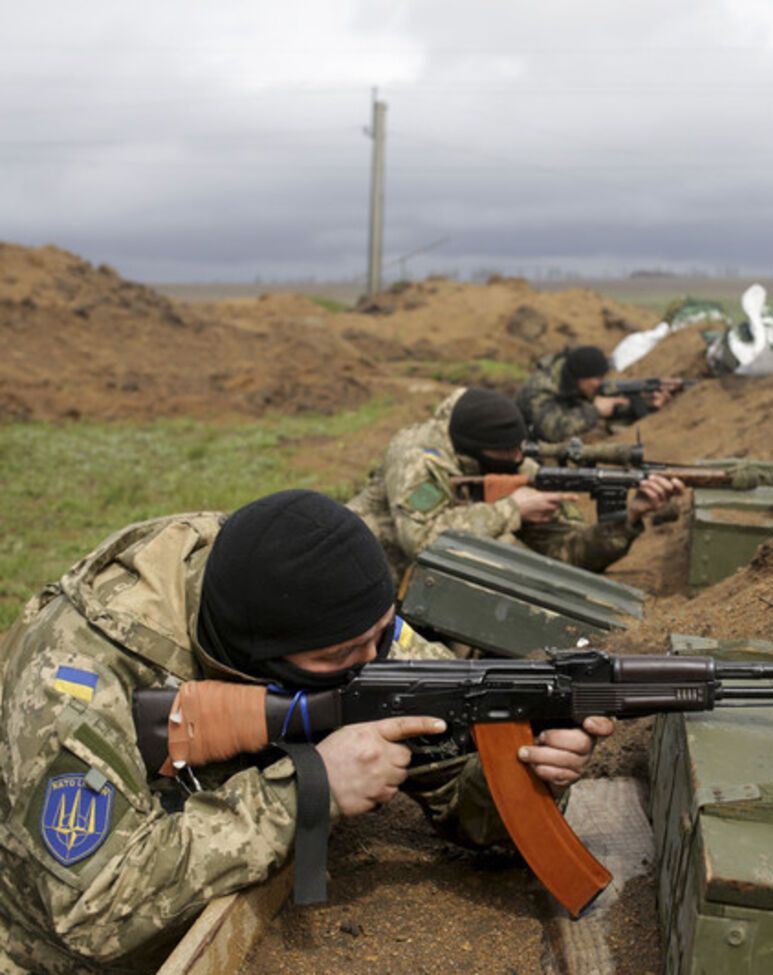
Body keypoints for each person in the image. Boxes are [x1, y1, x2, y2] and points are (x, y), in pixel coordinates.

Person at [0, 490, 612, 974]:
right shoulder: (74, 675)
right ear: (255, 655)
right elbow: (94, 913)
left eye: (386, 631)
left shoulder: (348, 625)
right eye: (348, 652)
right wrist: (306, 789)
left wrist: (524, 769)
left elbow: (465, 808)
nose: (377, 658)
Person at [347, 386, 683, 583]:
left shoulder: (514, 465)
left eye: (519, 448)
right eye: (505, 451)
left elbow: (564, 556)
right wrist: (512, 510)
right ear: (474, 449)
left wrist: (629, 519)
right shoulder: (420, 460)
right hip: (366, 577)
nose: (517, 457)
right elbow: (420, 541)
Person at [515, 345, 673, 441]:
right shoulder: (539, 389)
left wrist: (648, 403)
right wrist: (594, 411)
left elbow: (612, 399)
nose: (600, 383)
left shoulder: (574, 382)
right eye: (597, 378)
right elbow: (552, 431)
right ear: (580, 378)